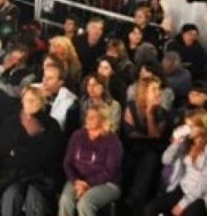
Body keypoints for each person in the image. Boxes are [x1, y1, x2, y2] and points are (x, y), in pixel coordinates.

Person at [0, 86, 63, 216]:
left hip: (41, 175)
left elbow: (49, 153)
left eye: (34, 100)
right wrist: (27, 148)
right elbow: (4, 150)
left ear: (41, 103)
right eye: (27, 100)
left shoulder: (50, 124)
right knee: (11, 194)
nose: (30, 103)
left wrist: (19, 151)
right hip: (14, 174)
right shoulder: (11, 122)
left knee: (34, 195)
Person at [58, 104, 123, 216]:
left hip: (106, 183)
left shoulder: (112, 140)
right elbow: (67, 163)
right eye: (87, 116)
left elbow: (110, 171)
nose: (88, 119)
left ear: (103, 119)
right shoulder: (77, 135)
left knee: (85, 203)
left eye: (93, 117)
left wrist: (87, 183)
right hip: (77, 180)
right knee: (65, 199)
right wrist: (76, 181)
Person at [122, 76, 173, 213]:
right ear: (144, 91)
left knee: (149, 159)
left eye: (159, 89)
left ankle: (135, 201)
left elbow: (156, 135)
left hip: (155, 150)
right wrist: (147, 137)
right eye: (154, 89)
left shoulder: (162, 112)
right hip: (134, 147)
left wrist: (150, 113)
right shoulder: (132, 107)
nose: (158, 92)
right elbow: (130, 133)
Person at [144, 109, 207, 216]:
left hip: (200, 196)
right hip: (183, 188)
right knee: (150, 208)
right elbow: (165, 160)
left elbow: (204, 181)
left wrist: (183, 203)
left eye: (191, 127)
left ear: (201, 128)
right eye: (186, 126)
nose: (188, 130)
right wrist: (176, 144)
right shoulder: (187, 143)